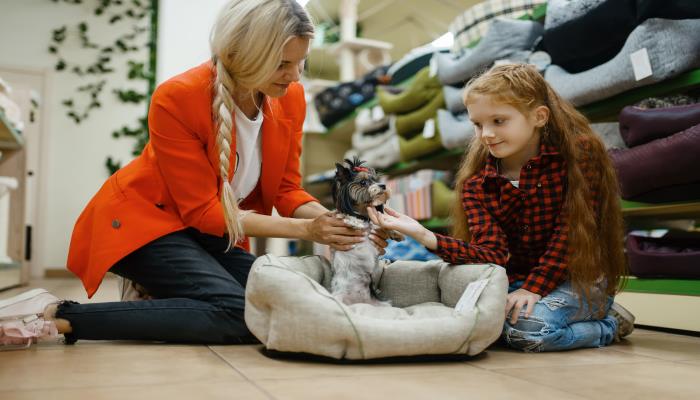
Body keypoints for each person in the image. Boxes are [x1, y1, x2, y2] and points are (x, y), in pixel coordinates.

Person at [0, 0, 389, 348]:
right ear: (242, 54)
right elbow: (203, 212)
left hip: (209, 235)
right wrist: (307, 232)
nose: (294, 77)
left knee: (280, 295)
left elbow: (287, 190)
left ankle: (160, 296)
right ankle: (56, 315)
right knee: (237, 313)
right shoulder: (177, 96)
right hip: (143, 226)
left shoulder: (290, 98)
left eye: (300, 63)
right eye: (282, 64)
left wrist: (334, 222)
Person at [368, 63, 635, 352]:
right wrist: (422, 234)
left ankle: (607, 324)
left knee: (529, 331)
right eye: (478, 124)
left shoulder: (579, 155)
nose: (486, 134)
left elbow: (570, 233)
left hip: (576, 277)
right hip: (516, 283)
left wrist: (533, 288)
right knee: (467, 318)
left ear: (539, 116)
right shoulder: (476, 184)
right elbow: (491, 254)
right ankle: (566, 317)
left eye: (499, 121)